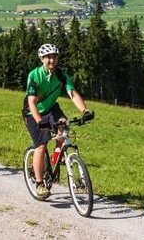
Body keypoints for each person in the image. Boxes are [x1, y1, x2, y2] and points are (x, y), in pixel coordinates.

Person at [23, 43, 93, 200]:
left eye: (54, 57)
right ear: (42, 59)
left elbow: (72, 93)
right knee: (41, 145)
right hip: (32, 113)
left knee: (64, 124)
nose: (52, 60)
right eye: (48, 57)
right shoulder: (35, 75)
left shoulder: (61, 75)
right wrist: (39, 121)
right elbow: (31, 102)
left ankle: (57, 156)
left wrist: (85, 111)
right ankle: (39, 184)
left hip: (51, 108)